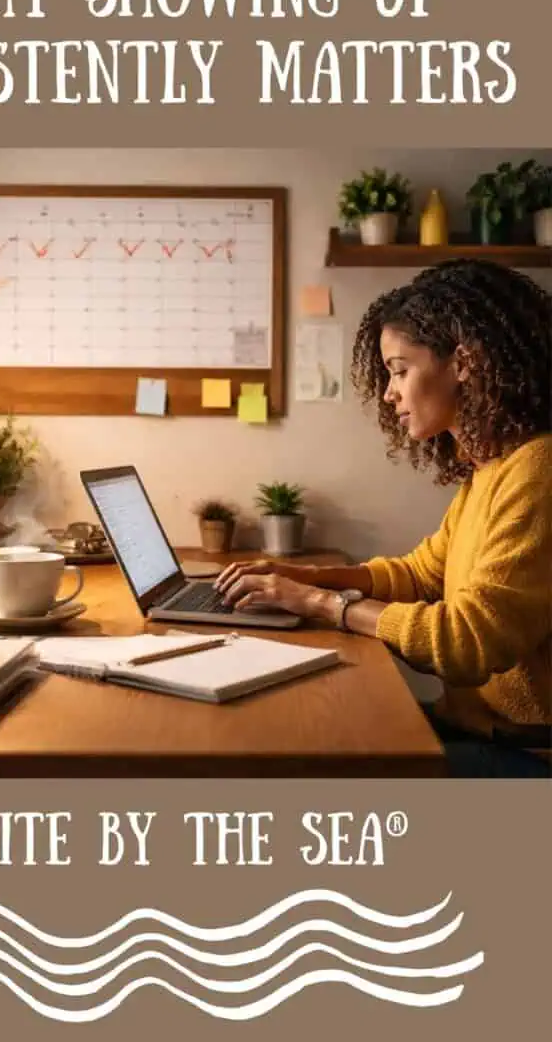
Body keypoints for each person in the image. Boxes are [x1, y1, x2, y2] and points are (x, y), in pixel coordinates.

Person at [215, 259, 551, 777]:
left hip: (525, 750)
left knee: (313, 764)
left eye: (399, 370)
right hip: (477, 727)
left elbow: (466, 642)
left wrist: (320, 603)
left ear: (464, 363)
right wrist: (307, 576)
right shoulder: (493, 468)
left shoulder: (538, 469)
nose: (389, 392)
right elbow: (421, 574)